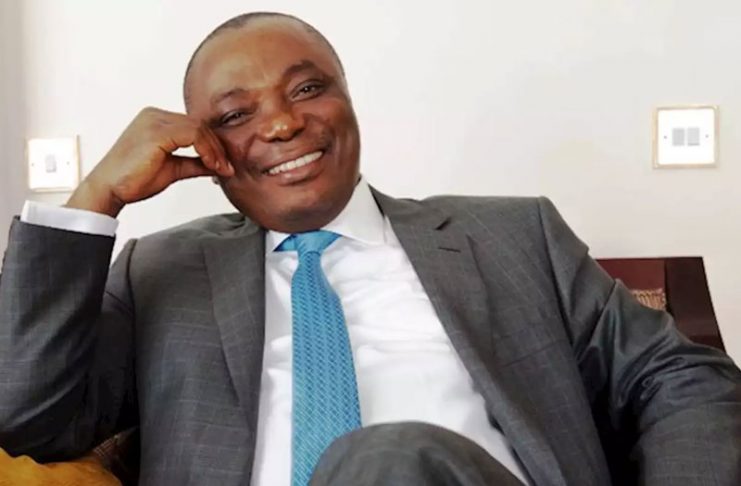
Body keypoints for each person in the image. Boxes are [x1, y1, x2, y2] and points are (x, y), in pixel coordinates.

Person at [0, 11, 739, 486]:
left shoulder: (513, 237)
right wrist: (96, 195)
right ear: (203, 148)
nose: (282, 124)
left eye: (306, 89)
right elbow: (26, 414)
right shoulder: (159, 272)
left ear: (348, 100)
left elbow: (680, 376)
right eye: (235, 115)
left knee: (385, 460)